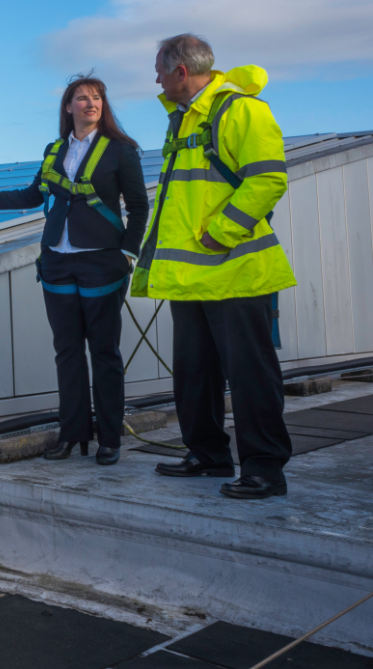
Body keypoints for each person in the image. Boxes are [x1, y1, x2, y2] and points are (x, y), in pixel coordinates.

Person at [131, 34, 297, 500]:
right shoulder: (184, 119)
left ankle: (264, 468)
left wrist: (220, 231)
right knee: (194, 372)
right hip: (191, 277)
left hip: (234, 270)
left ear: (180, 72)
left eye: (160, 70)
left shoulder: (242, 111)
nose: (156, 79)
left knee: (250, 374)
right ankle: (207, 454)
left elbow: (267, 179)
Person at [0, 75, 148, 465]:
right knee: (67, 352)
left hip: (102, 261)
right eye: (82, 98)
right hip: (57, 260)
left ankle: (109, 438)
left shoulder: (121, 150)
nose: (90, 103)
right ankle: (71, 435)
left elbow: (140, 207)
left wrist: (128, 252)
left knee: (105, 352)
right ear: (68, 107)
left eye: (97, 98)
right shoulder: (54, 150)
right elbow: (33, 194)